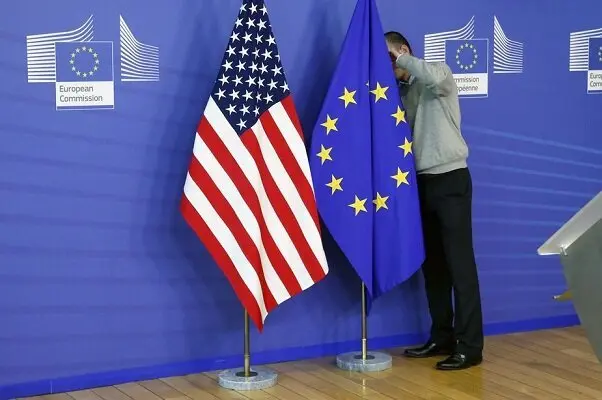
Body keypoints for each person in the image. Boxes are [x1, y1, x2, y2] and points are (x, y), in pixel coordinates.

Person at [384, 31, 484, 370]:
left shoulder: (439, 74)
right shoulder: (401, 93)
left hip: (451, 178)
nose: (390, 66)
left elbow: (433, 77)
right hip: (421, 183)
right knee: (435, 268)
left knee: (460, 267)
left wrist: (400, 58)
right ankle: (442, 337)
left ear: (404, 51)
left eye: (391, 58)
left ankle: (470, 347)